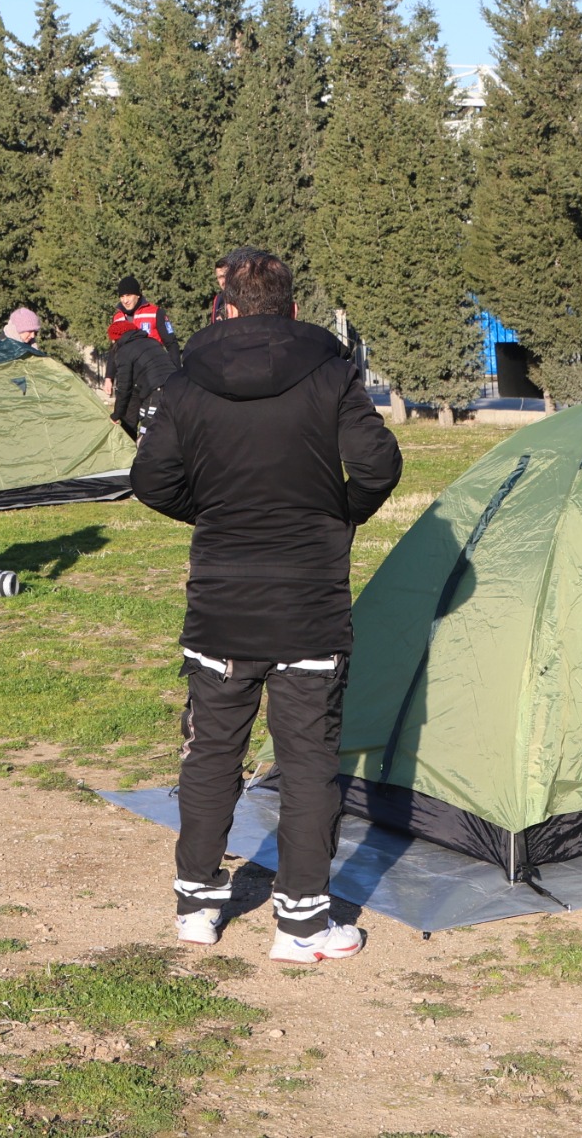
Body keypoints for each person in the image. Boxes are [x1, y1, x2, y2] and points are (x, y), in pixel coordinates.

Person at [131, 249, 403, 964]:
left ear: (226, 307)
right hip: (308, 598)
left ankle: (197, 905)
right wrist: (338, 513)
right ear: (291, 306)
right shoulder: (330, 372)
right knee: (308, 762)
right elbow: (378, 464)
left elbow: (151, 479)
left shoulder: (187, 379)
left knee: (211, 753)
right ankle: (302, 924)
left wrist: (212, 515)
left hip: (223, 599)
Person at [105, 311, 178, 441]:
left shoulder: (124, 352)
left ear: (116, 339)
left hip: (157, 391)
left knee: (149, 435)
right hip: (177, 387)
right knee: (170, 428)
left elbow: (124, 387)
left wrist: (116, 415)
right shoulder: (151, 342)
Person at [107, 276, 180, 353]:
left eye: (129, 295)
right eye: (122, 296)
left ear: (138, 295)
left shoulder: (155, 313)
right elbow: (114, 349)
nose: (125, 300)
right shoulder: (117, 318)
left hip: (152, 359)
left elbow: (172, 343)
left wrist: (173, 361)